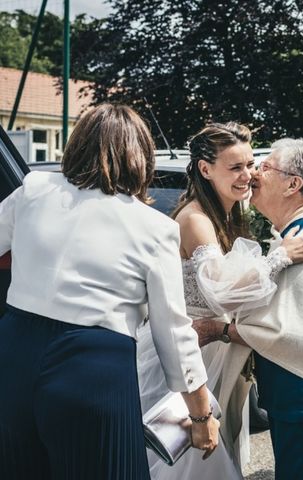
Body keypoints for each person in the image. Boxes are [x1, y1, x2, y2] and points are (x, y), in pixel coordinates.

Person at [0, 103, 217, 480]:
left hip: (13, 358)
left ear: (77, 144)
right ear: (141, 157)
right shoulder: (155, 228)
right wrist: (201, 415)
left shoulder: (33, 190)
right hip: (93, 373)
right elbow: (174, 334)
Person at [136, 124, 303, 479]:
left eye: (251, 164)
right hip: (191, 352)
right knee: (187, 461)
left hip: (220, 354)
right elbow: (220, 291)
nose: (248, 175)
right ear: (206, 169)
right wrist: (279, 257)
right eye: (235, 167)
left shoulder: (229, 215)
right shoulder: (194, 218)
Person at [198, 139, 303, 480]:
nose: (253, 175)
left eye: (264, 167)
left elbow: (283, 331)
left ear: (293, 184)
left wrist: (217, 330)